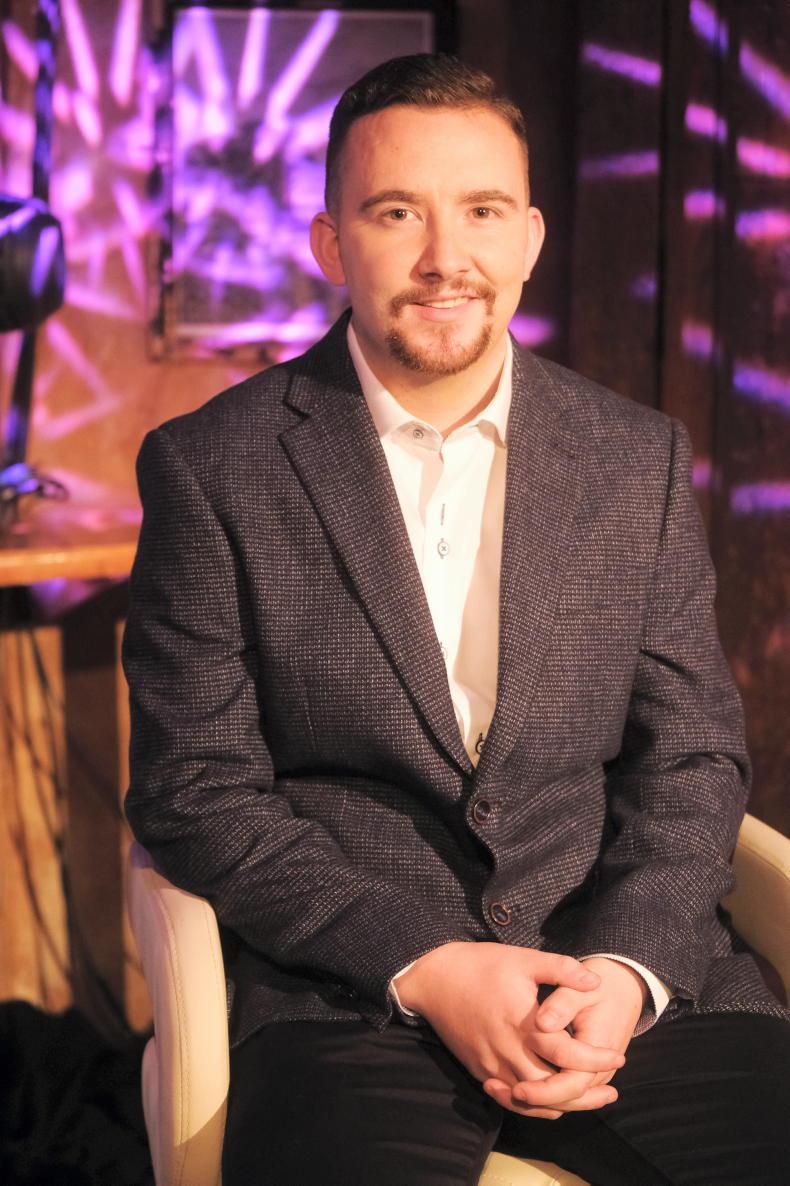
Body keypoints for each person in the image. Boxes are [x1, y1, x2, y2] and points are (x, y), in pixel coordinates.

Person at [122, 54, 790, 1186]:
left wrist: (625, 972)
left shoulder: (635, 458)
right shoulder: (211, 466)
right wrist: (426, 964)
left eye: (481, 211)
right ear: (331, 243)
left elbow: (689, 758)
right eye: (396, 213)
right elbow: (195, 789)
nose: (445, 258)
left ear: (528, 238)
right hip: (353, 995)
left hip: (620, 983)